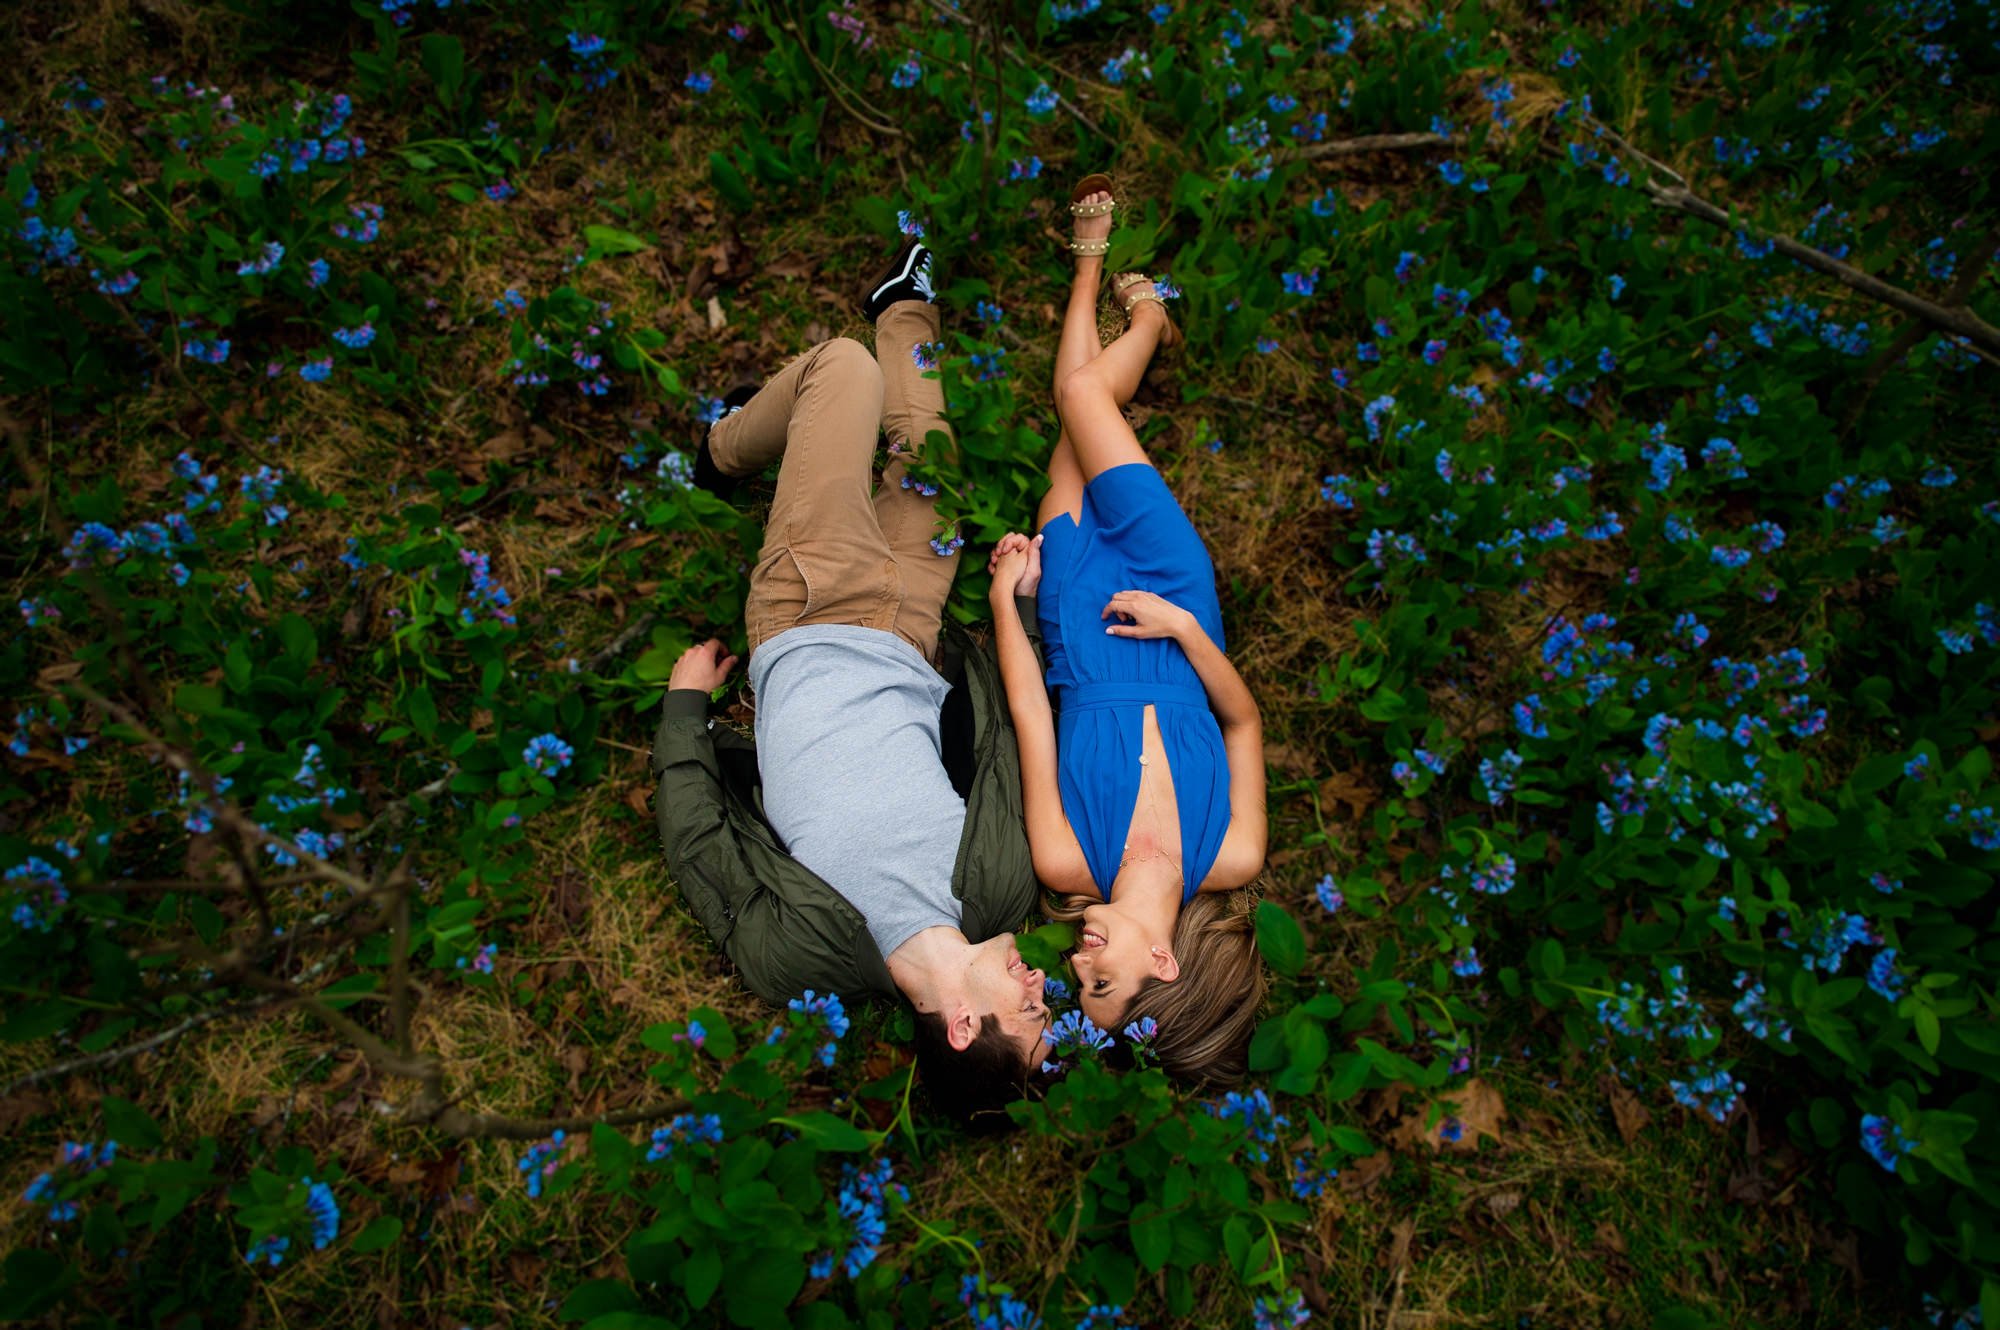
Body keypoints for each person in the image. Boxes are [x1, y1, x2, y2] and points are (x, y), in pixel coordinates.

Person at [651, 238, 1052, 1124]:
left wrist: (685, 708)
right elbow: (1008, 744)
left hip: (807, 604)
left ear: (960, 1026)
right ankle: (903, 307)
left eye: (1030, 1012)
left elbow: (698, 845)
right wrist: (1009, 617)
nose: (1040, 988)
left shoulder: (796, 957)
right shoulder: (999, 888)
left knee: (842, 371)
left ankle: (718, 454)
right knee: (932, 459)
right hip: (909, 628)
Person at [986, 174, 1267, 1084]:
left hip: (1073, 620)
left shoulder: (1066, 859)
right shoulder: (1231, 853)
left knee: (1074, 429)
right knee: (1080, 401)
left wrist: (1008, 606)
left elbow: (1034, 715)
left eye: (1077, 979)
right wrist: (1186, 630)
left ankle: (1097, 279)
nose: (1076, 961)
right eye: (1100, 978)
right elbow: (1243, 723)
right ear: (1163, 966)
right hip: (1175, 601)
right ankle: (1138, 317)